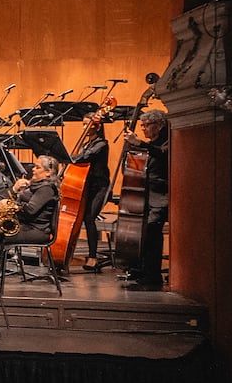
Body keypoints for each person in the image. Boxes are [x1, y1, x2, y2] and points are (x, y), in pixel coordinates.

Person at [122, 109, 170, 287]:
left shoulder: (167, 142)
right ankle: (142, 271)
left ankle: (153, 278)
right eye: (141, 125)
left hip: (161, 198)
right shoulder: (152, 144)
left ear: (159, 125)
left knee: (151, 234)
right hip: (146, 197)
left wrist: (140, 143)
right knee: (146, 235)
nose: (143, 129)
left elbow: (162, 154)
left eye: (146, 125)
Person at [70, 117, 112, 271]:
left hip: (101, 187)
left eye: (87, 124)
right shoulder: (86, 144)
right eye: (83, 124)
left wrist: (69, 158)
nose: (84, 127)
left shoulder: (102, 144)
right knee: (82, 218)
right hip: (88, 187)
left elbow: (85, 157)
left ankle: (93, 258)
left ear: (97, 126)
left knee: (89, 218)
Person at [6, 155, 60, 246]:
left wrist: (12, 205)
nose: (33, 169)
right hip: (25, 225)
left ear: (48, 172)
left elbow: (30, 210)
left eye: (37, 167)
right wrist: (15, 190)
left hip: (37, 230)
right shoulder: (35, 185)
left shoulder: (47, 189)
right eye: (34, 166)